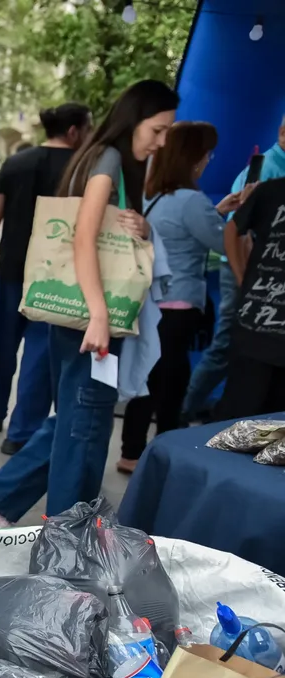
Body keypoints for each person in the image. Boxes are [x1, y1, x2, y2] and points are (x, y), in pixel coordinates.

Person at [0, 79, 179, 528]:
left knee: (80, 420)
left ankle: (2, 499)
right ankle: (64, 537)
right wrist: (99, 314)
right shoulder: (110, 159)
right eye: (157, 130)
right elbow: (84, 233)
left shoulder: (102, 157)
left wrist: (135, 226)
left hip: (81, 314)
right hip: (90, 316)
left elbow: (94, 225)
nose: (160, 142)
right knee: (83, 426)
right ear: (134, 120)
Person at [117, 122, 247, 472]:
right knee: (171, 383)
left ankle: (131, 451)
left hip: (151, 300)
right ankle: (165, 454)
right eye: (207, 153)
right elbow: (223, 243)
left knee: (149, 377)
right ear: (194, 159)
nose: (209, 160)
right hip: (178, 302)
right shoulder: (191, 200)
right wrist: (244, 214)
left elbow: (177, 230)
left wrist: (216, 212)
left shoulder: (152, 195)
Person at [0, 103, 93, 455]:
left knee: (1, 344)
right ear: (74, 131)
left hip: (12, 268)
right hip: (54, 276)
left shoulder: (16, 162)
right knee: (40, 352)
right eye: (88, 128)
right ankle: (21, 433)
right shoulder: (82, 170)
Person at [182, 116, 285, 422]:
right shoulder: (266, 169)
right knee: (228, 345)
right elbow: (237, 230)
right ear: (282, 132)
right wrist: (245, 278)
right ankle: (180, 411)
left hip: (258, 277)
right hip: (247, 272)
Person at [216, 176, 285, 418]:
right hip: (255, 326)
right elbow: (233, 229)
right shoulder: (272, 190)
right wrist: (240, 277)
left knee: (276, 429)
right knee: (239, 417)